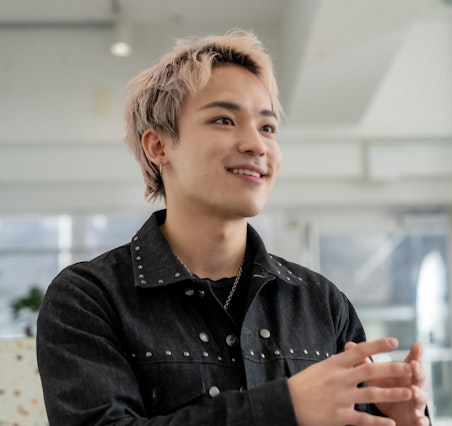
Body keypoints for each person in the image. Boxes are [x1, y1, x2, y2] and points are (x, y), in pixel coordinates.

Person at [36, 28, 431, 426]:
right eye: (224, 120)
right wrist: (283, 406)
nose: (256, 145)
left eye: (267, 127)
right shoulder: (88, 298)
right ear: (158, 147)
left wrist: (406, 421)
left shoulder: (321, 303)